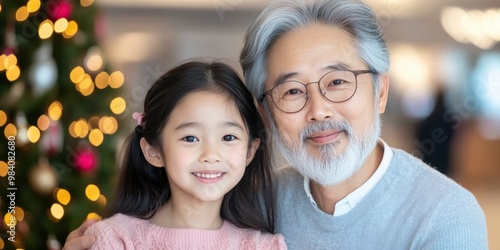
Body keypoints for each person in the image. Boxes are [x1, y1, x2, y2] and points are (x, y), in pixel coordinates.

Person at [64, 0, 488, 249]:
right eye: (291, 92)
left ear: (379, 91)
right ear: (265, 114)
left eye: (337, 82)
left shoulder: (445, 216)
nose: (318, 110)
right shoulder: (258, 199)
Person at [80, 60, 286, 249]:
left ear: (250, 151)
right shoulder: (116, 239)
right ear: (154, 152)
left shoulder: (262, 246)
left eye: (229, 138)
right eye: (190, 138)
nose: (211, 155)